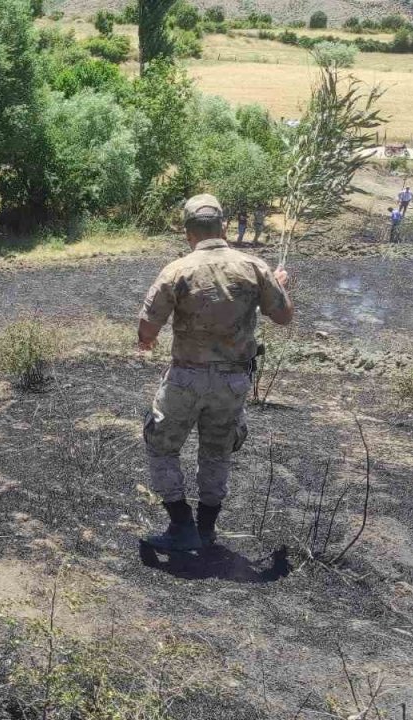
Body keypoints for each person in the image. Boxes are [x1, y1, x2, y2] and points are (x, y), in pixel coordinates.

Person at [137, 194, 294, 552]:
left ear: (187, 231)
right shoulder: (254, 267)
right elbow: (283, 316)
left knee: (161, 447)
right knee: (216, 453)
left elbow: (147, 328)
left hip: (186, 378)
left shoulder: (177, 270)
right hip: (232, 380)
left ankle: (180, 524)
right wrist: (279, 285)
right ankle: (206, 529)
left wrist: (146, 342)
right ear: (223, 226)